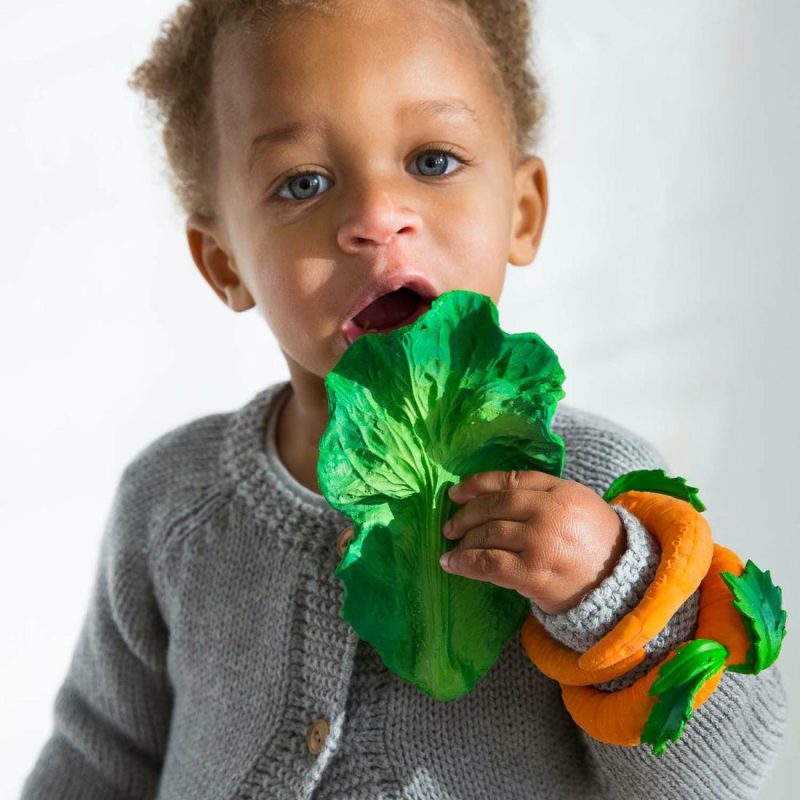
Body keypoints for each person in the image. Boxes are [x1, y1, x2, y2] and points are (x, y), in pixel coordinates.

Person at [21, 1, 787, 797]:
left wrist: (611, 591)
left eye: (432, 161)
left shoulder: (595, 485)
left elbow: (714, 777)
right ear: (225, 265)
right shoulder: (171, 500)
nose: (377, 217)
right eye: (304, 183)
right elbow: (97, 753)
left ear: (521, 213)